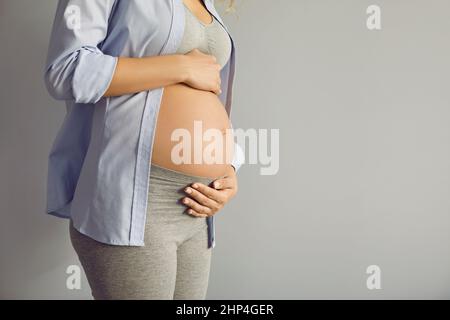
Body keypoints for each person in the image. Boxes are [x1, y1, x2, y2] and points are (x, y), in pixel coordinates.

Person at [43, 0, 244, 299]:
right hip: (134, 202)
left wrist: (228, 166)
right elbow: (65, 69)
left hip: (199, 210)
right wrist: (179, 66)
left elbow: (211, 89)